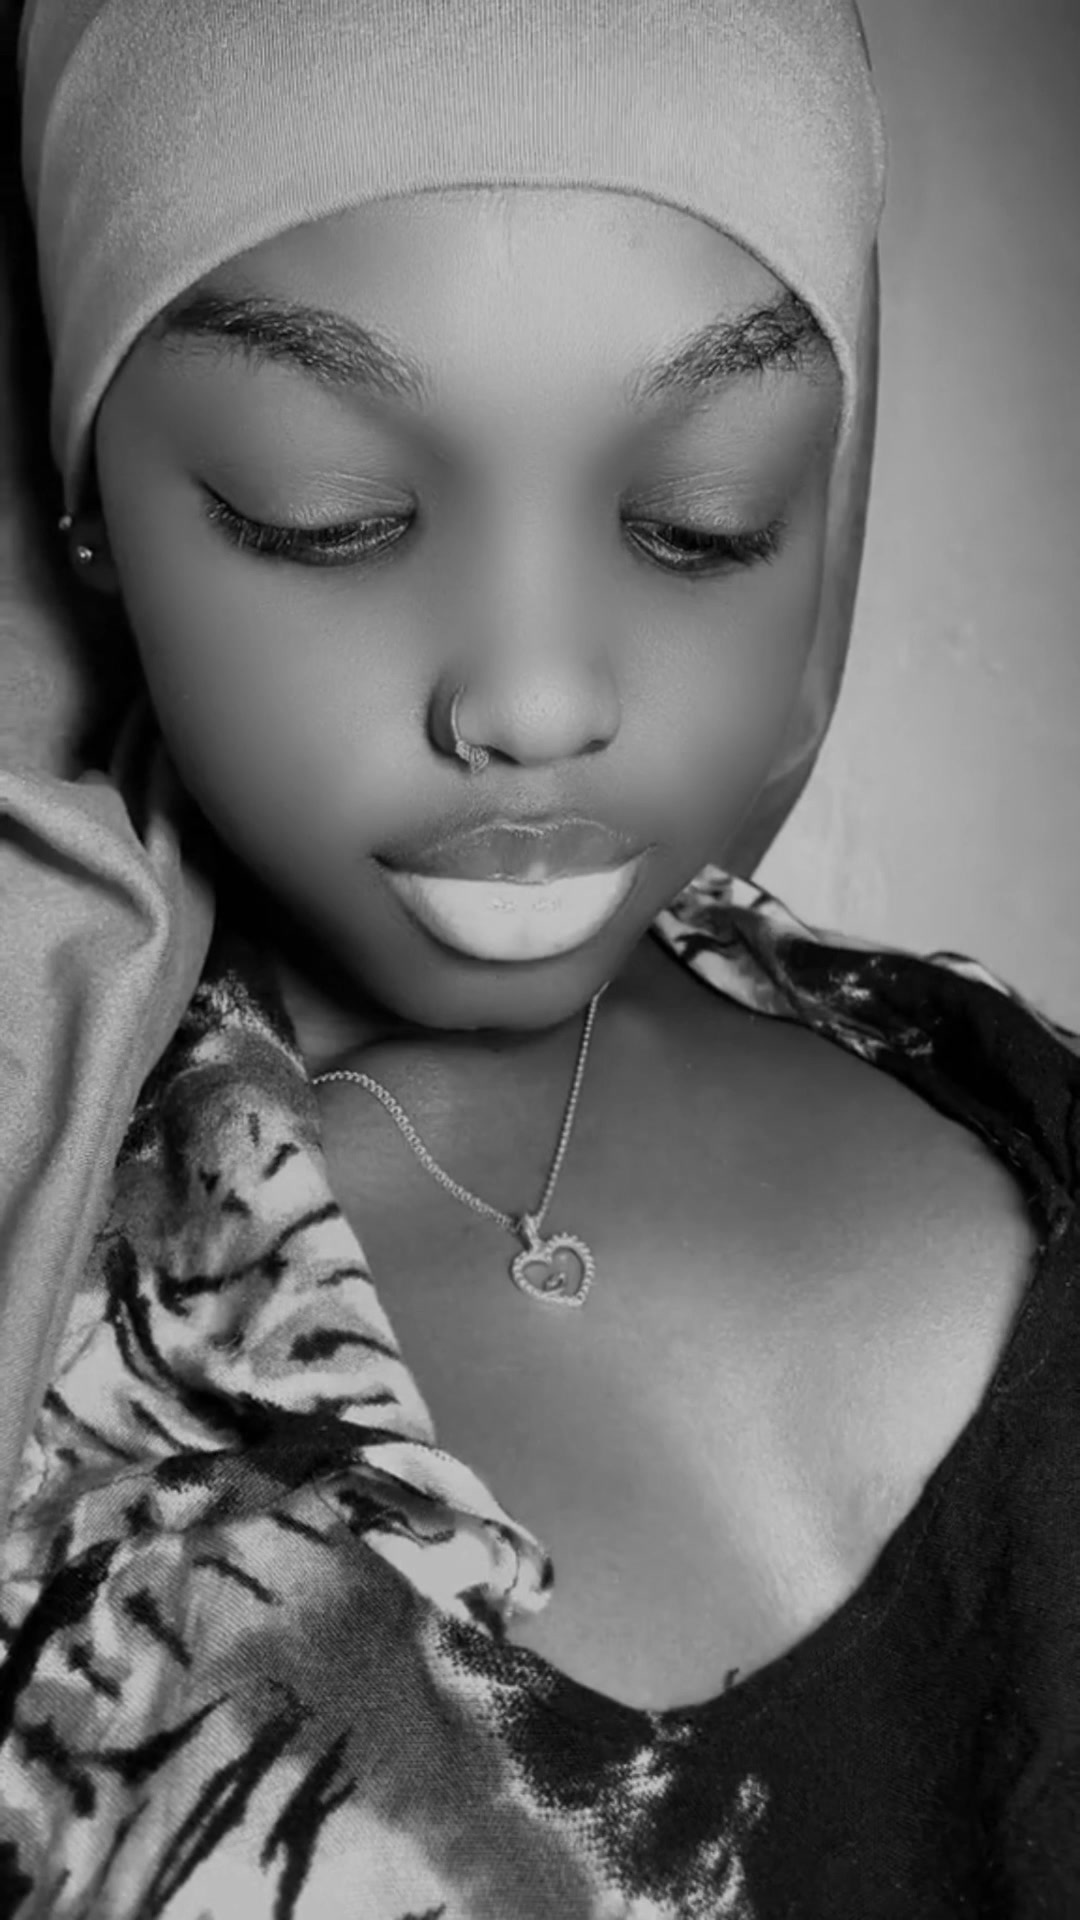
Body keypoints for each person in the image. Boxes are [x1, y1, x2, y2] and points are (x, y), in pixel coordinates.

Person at [1, 0, 1078, 1913]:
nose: (535, 696)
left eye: (699, 519)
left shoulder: (1001, 1090)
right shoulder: (49, 1338)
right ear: (85, 504)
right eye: (325, 512)